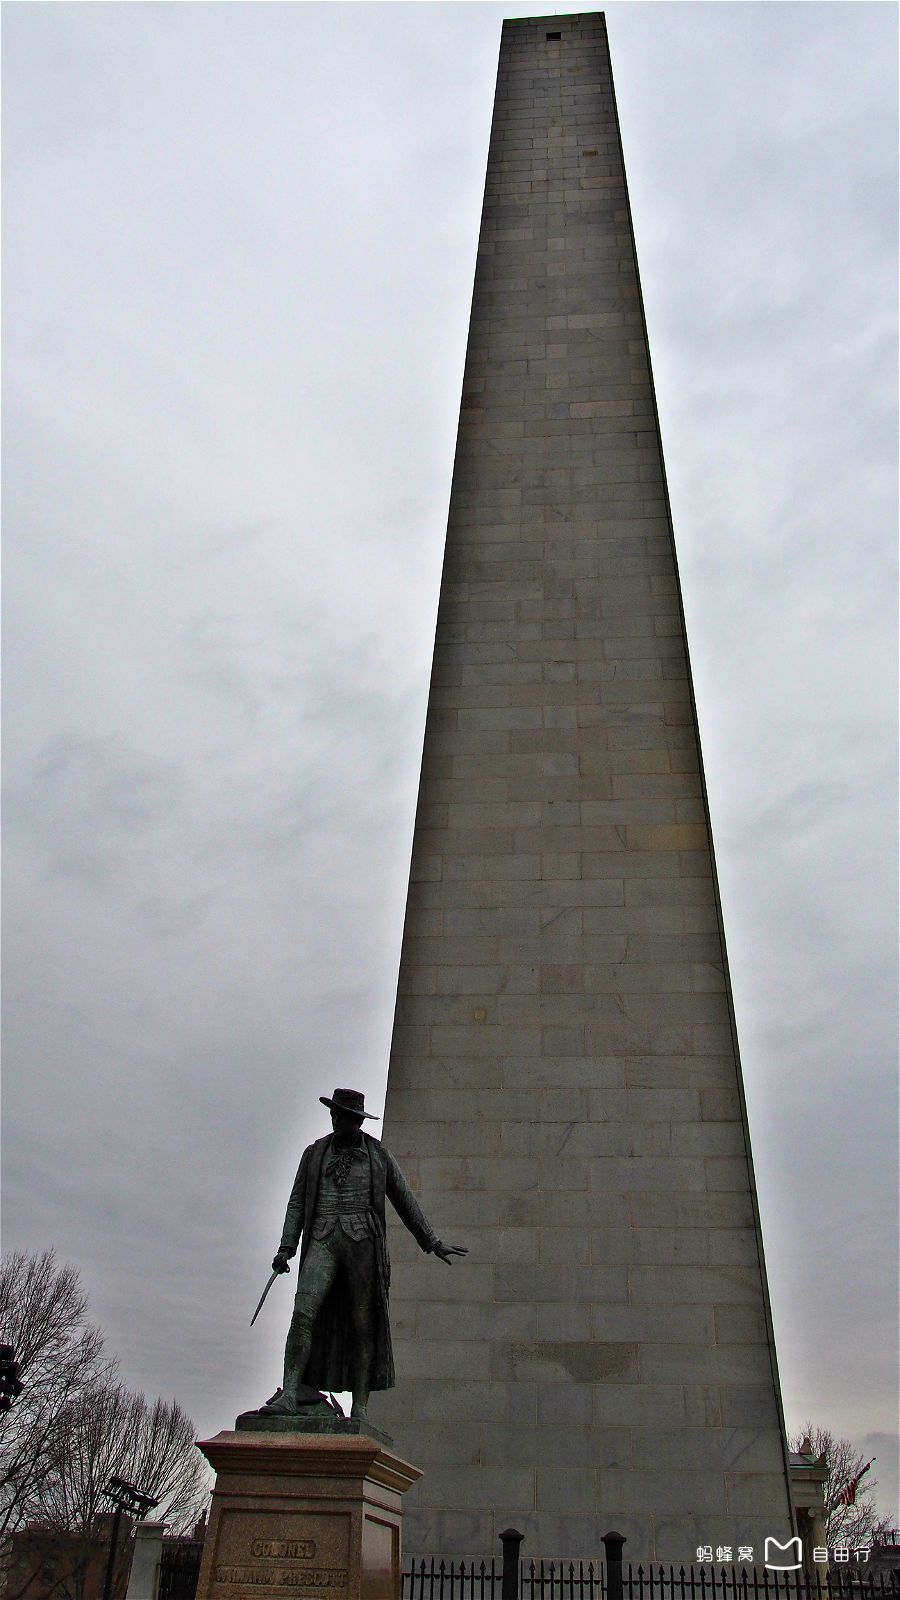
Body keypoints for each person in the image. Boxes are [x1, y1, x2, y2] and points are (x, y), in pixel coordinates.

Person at [261, 1088, 466, 1421]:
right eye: (333, 1113)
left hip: (363, 1241)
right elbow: (297, 1201)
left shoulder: (377, 1155)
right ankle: (289, 1392)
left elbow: (404, 1198)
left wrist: (432, 1241)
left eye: (342, 1114)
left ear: (356, 1119)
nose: (335, 1119)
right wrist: (286, 1246)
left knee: (363, 1325)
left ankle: (361, 1408)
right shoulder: (314, 1154)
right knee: (303, 1312)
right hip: (322, 1237)